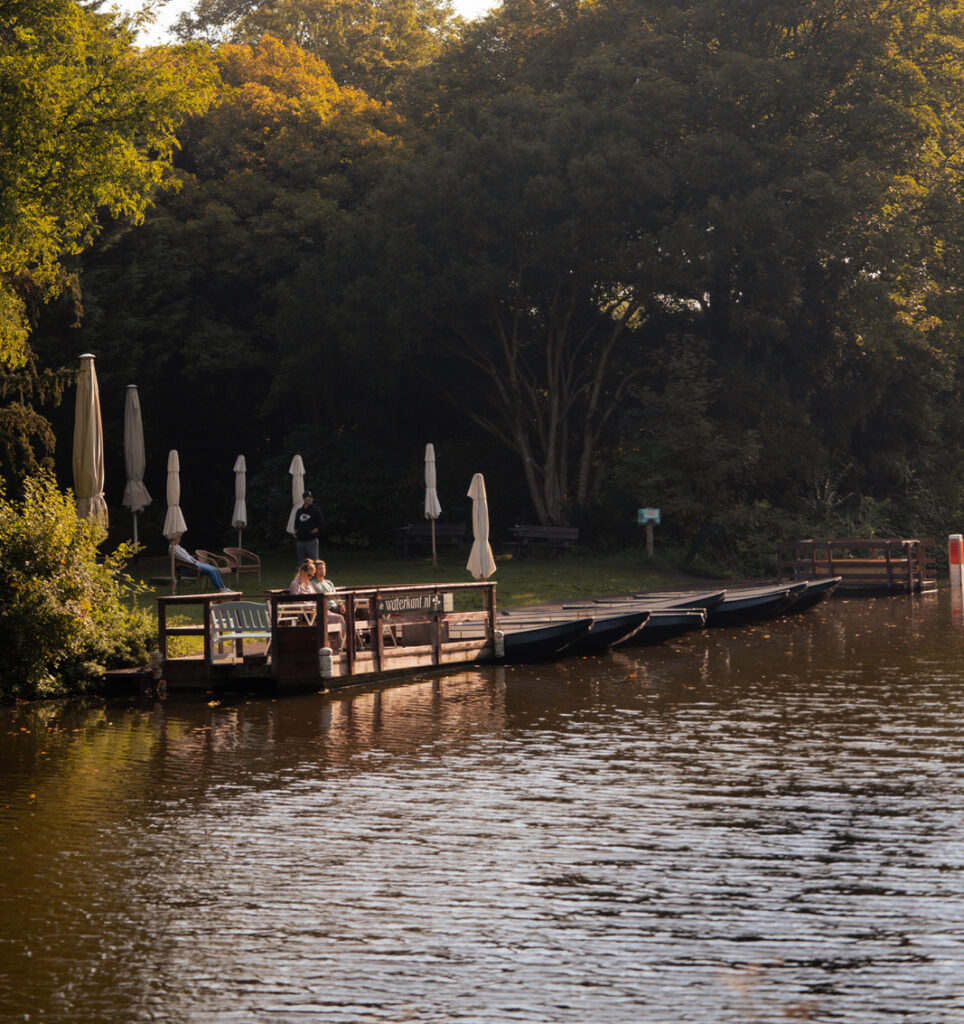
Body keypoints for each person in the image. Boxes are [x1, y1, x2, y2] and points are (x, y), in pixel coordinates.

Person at [311, 559, 346, 652]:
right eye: (320, 568)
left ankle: (348, 642)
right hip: (326, 608)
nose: (322, 570)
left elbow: (336, 595)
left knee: (353, 613)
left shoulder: (329, 582)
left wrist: (341, 604)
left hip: (335, 606)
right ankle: (342, 644)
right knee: (341, 617)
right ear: (315, 571)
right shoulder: (313, 583)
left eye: (324, 568)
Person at [294, 491, 325, 561]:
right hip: (301, 541)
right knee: (302, 562)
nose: (310, 500)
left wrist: (313, 531)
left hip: (311, 541)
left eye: (311, 498)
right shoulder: (299, 511)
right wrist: (296, 531)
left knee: (313, 562)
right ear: (303, 499)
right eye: (308, 498)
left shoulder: (316, 510)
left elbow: (321, 524)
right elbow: (296, 523)